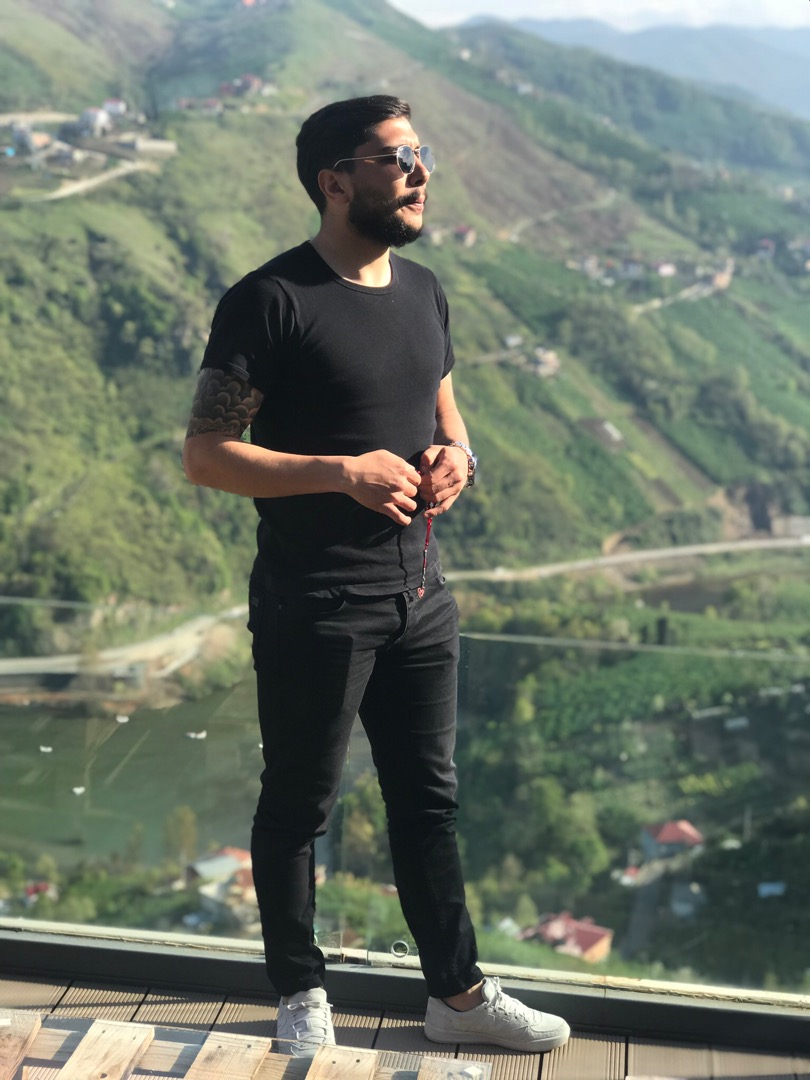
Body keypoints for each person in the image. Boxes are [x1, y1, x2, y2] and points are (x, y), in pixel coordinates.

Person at [183, 94, 570, 1058]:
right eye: (397, 158)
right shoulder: (270, 301)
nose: (420, 172)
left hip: (421, 596)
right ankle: (301, 992)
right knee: (298, 806)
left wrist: (459, 460)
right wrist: (339, 473)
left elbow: (448, 416)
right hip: (314, 602)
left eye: (420, 153)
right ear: (335, 181)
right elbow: (206, 454)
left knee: (429, 804)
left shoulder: (426, 290)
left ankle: (458, 995)